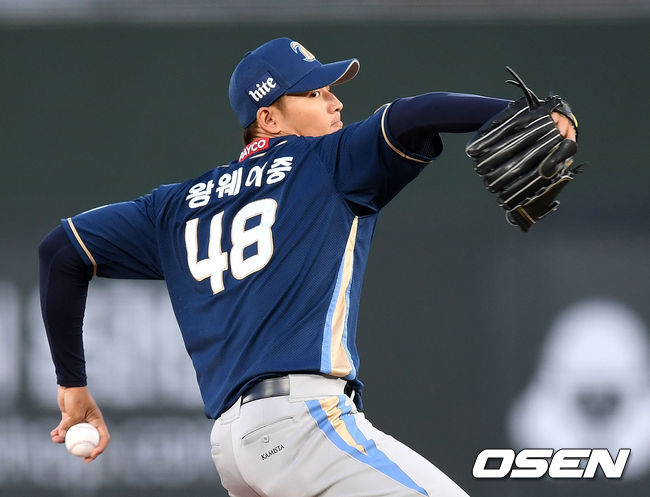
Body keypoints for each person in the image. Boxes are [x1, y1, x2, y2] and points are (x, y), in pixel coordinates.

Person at [39, 37, 576, 496]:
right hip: (302, 425)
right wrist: (515, 114)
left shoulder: (174, 208)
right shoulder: (325, 161)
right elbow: (412, 114)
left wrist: (72, 387)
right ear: (268, 119)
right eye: (315, 93)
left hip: (232, 448)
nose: (335, 103)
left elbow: (61, 252)